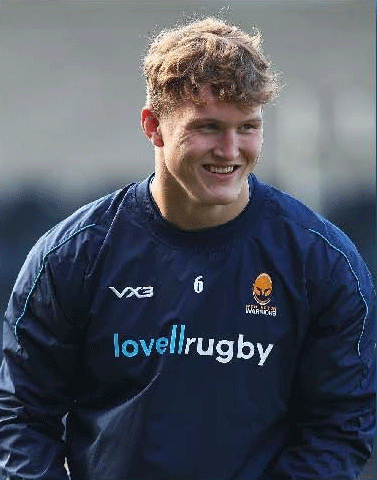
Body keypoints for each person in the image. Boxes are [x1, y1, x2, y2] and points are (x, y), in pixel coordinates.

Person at [0, 16, 375, 480]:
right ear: (153, 126)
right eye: (208, 127)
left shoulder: (322, 262)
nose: (230, 149)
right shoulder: (73, 255)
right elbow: (20, 415)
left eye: (248, 127)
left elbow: (340, 426)